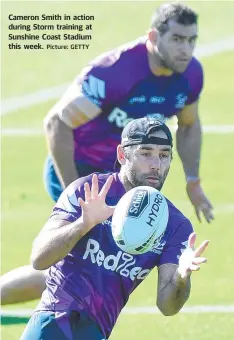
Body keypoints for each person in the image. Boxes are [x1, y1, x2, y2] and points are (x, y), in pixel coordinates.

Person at [1, 2, 213, 306]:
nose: (186, 49)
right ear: (153, 37)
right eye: (177, 39)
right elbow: (57, 123)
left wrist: (192, 179)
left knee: (81, 268)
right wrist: (77, 195)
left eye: (192, 40)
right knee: (73, 266)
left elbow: (189, 125)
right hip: (81, 172)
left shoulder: (191, 75)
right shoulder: (116, 72)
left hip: (125, 182)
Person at [20, 118, 209, 340]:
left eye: (164, 155)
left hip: (94, 332)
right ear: (122, 155)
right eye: (146, 153)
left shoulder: (175, 225)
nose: (156, 164)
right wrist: (83, 224)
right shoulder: (88, 191)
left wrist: (181, 277)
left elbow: (168, 307)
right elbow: (39, 259)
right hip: (52, 321)